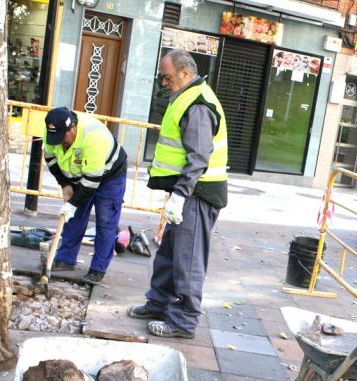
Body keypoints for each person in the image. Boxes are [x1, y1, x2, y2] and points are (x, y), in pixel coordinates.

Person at [127, 49, 228, 339]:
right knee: (169, 254)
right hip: (188, 193)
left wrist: (181, 195)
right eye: (162, 77)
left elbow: (199, 157)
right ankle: (158, 304)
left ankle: (183, 322)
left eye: (167, 76)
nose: (164, 82)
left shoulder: (197, 104)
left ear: (185, 73)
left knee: (188, 261)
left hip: (198, 195)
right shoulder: (187, 97)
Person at [43, 107, 128, 285]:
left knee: (105, 221)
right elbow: (51, 159)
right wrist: (65, 184)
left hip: (109, 176)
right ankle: (66, 258)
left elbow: (91, 182)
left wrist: (72, 203)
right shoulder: (52, 131)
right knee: (74, 218)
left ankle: (98, 269)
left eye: (62, 138)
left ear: (72, 128)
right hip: (78, 175)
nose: (60, 143)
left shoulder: (92, 138)